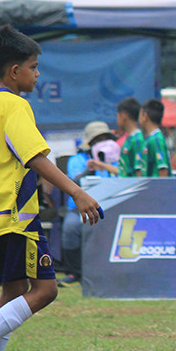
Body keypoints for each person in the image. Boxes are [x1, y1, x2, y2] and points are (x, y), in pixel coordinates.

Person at [0, 25, 101, 351]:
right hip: (18, 218)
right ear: (14, 71)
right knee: (46, 290)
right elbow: (35, 157)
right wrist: (76, 191)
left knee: (13, 291)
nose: (37, 74)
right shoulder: (16, 106)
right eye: (34, 67)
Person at [60, 121, 118, 284]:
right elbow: (74, 182)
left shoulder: (114, 158)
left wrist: (104, 164)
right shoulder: (77, 159)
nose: (102, 143)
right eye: (98, 139)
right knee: (70, 227)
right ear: (90, 143)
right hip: (80, 209)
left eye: (106, 139)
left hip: (109, 206)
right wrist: (90, 168)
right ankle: (74, 272)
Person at [139, 99, 170, 177]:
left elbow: (162, 169)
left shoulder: (157, 139)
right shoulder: (151, 138)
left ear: (145, 116)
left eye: (139, 116)